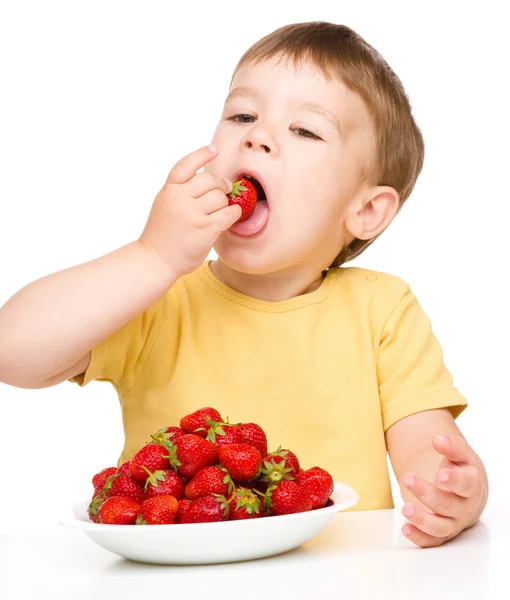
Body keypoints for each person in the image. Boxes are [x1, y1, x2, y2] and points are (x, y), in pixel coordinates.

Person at [0, 21, 488, 547]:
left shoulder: (382, 309)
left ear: (366, 210)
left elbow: (424, 444)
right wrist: (152, 255)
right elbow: (13, 351)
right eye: (242, 115)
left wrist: (451, 491)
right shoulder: (157, 297)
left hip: (338, 579)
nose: (257, 135)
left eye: (305, 130)